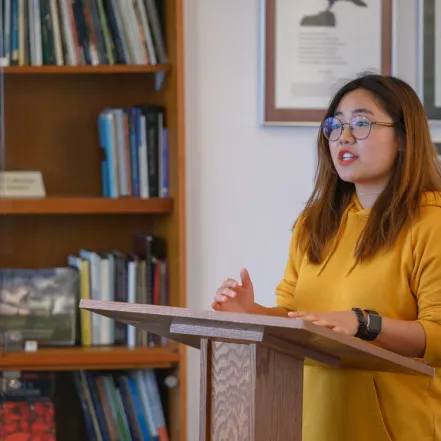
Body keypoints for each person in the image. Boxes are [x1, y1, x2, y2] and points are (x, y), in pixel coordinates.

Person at [211, 73, 441, 441]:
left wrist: (363, 323)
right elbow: (295, 315)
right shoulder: (314, 222)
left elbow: (438, 335)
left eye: (361, 123)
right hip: (310, 424)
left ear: (402, 136)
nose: (343, 137)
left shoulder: (432, 221)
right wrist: (250, 312)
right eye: (335, 126)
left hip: (399, 429)